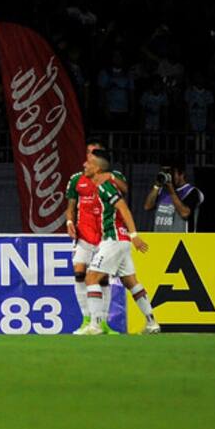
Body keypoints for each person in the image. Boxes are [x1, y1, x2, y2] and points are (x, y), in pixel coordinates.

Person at [76, 150, 160, 335]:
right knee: (131, 282)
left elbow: (124, 209)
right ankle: (152, 323)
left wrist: (134, 235)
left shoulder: (105, 186)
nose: (84, 165)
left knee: (91, 278)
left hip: (114, 239)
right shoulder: (100, 186)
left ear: (97, 168)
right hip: (120, 241)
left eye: (88, 163)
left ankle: (96, 325)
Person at [66, 140, 129, 334]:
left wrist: (108, 175)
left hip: (105, 236)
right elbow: (70, 207)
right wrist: (69, 222)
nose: (90, 155)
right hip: (84, 235)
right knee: (79, 272)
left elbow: (125, 190)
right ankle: (86, 319)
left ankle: (101, 322)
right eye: (88, 152)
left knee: (102, 279)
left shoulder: (113, 177)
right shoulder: (77, 179)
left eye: (95, 152)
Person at [143, 163, 204, 232]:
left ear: (181, 175)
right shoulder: (161, 190)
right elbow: (147, 206)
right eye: (165, 172)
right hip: (160, 238)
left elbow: (185, 213)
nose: (168, 176)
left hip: (181, 240)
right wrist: (157, 186)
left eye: (171, 173)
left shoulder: (192, 191)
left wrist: (171, 191)